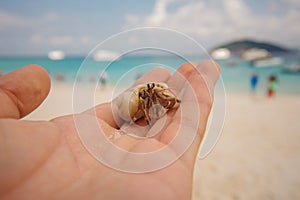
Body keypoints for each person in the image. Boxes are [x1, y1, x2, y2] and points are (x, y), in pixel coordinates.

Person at [0, 61, 220, 200]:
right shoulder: (140, 98)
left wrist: (168, 101)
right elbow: (142, 104)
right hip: (131, 107)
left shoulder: (150, 92)